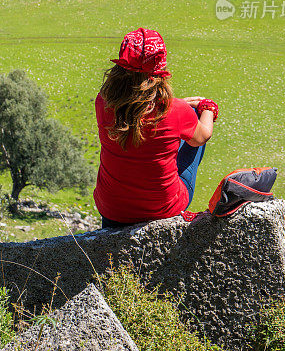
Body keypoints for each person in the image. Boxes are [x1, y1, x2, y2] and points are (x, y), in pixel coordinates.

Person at [93, 27, 218, 228]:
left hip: (112, 209)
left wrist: (179, 106)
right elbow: (202, 136)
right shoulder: (175, 110)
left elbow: (136, 114)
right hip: (163, 209)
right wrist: (208, 108)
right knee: (193, 122)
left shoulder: (104, 102)